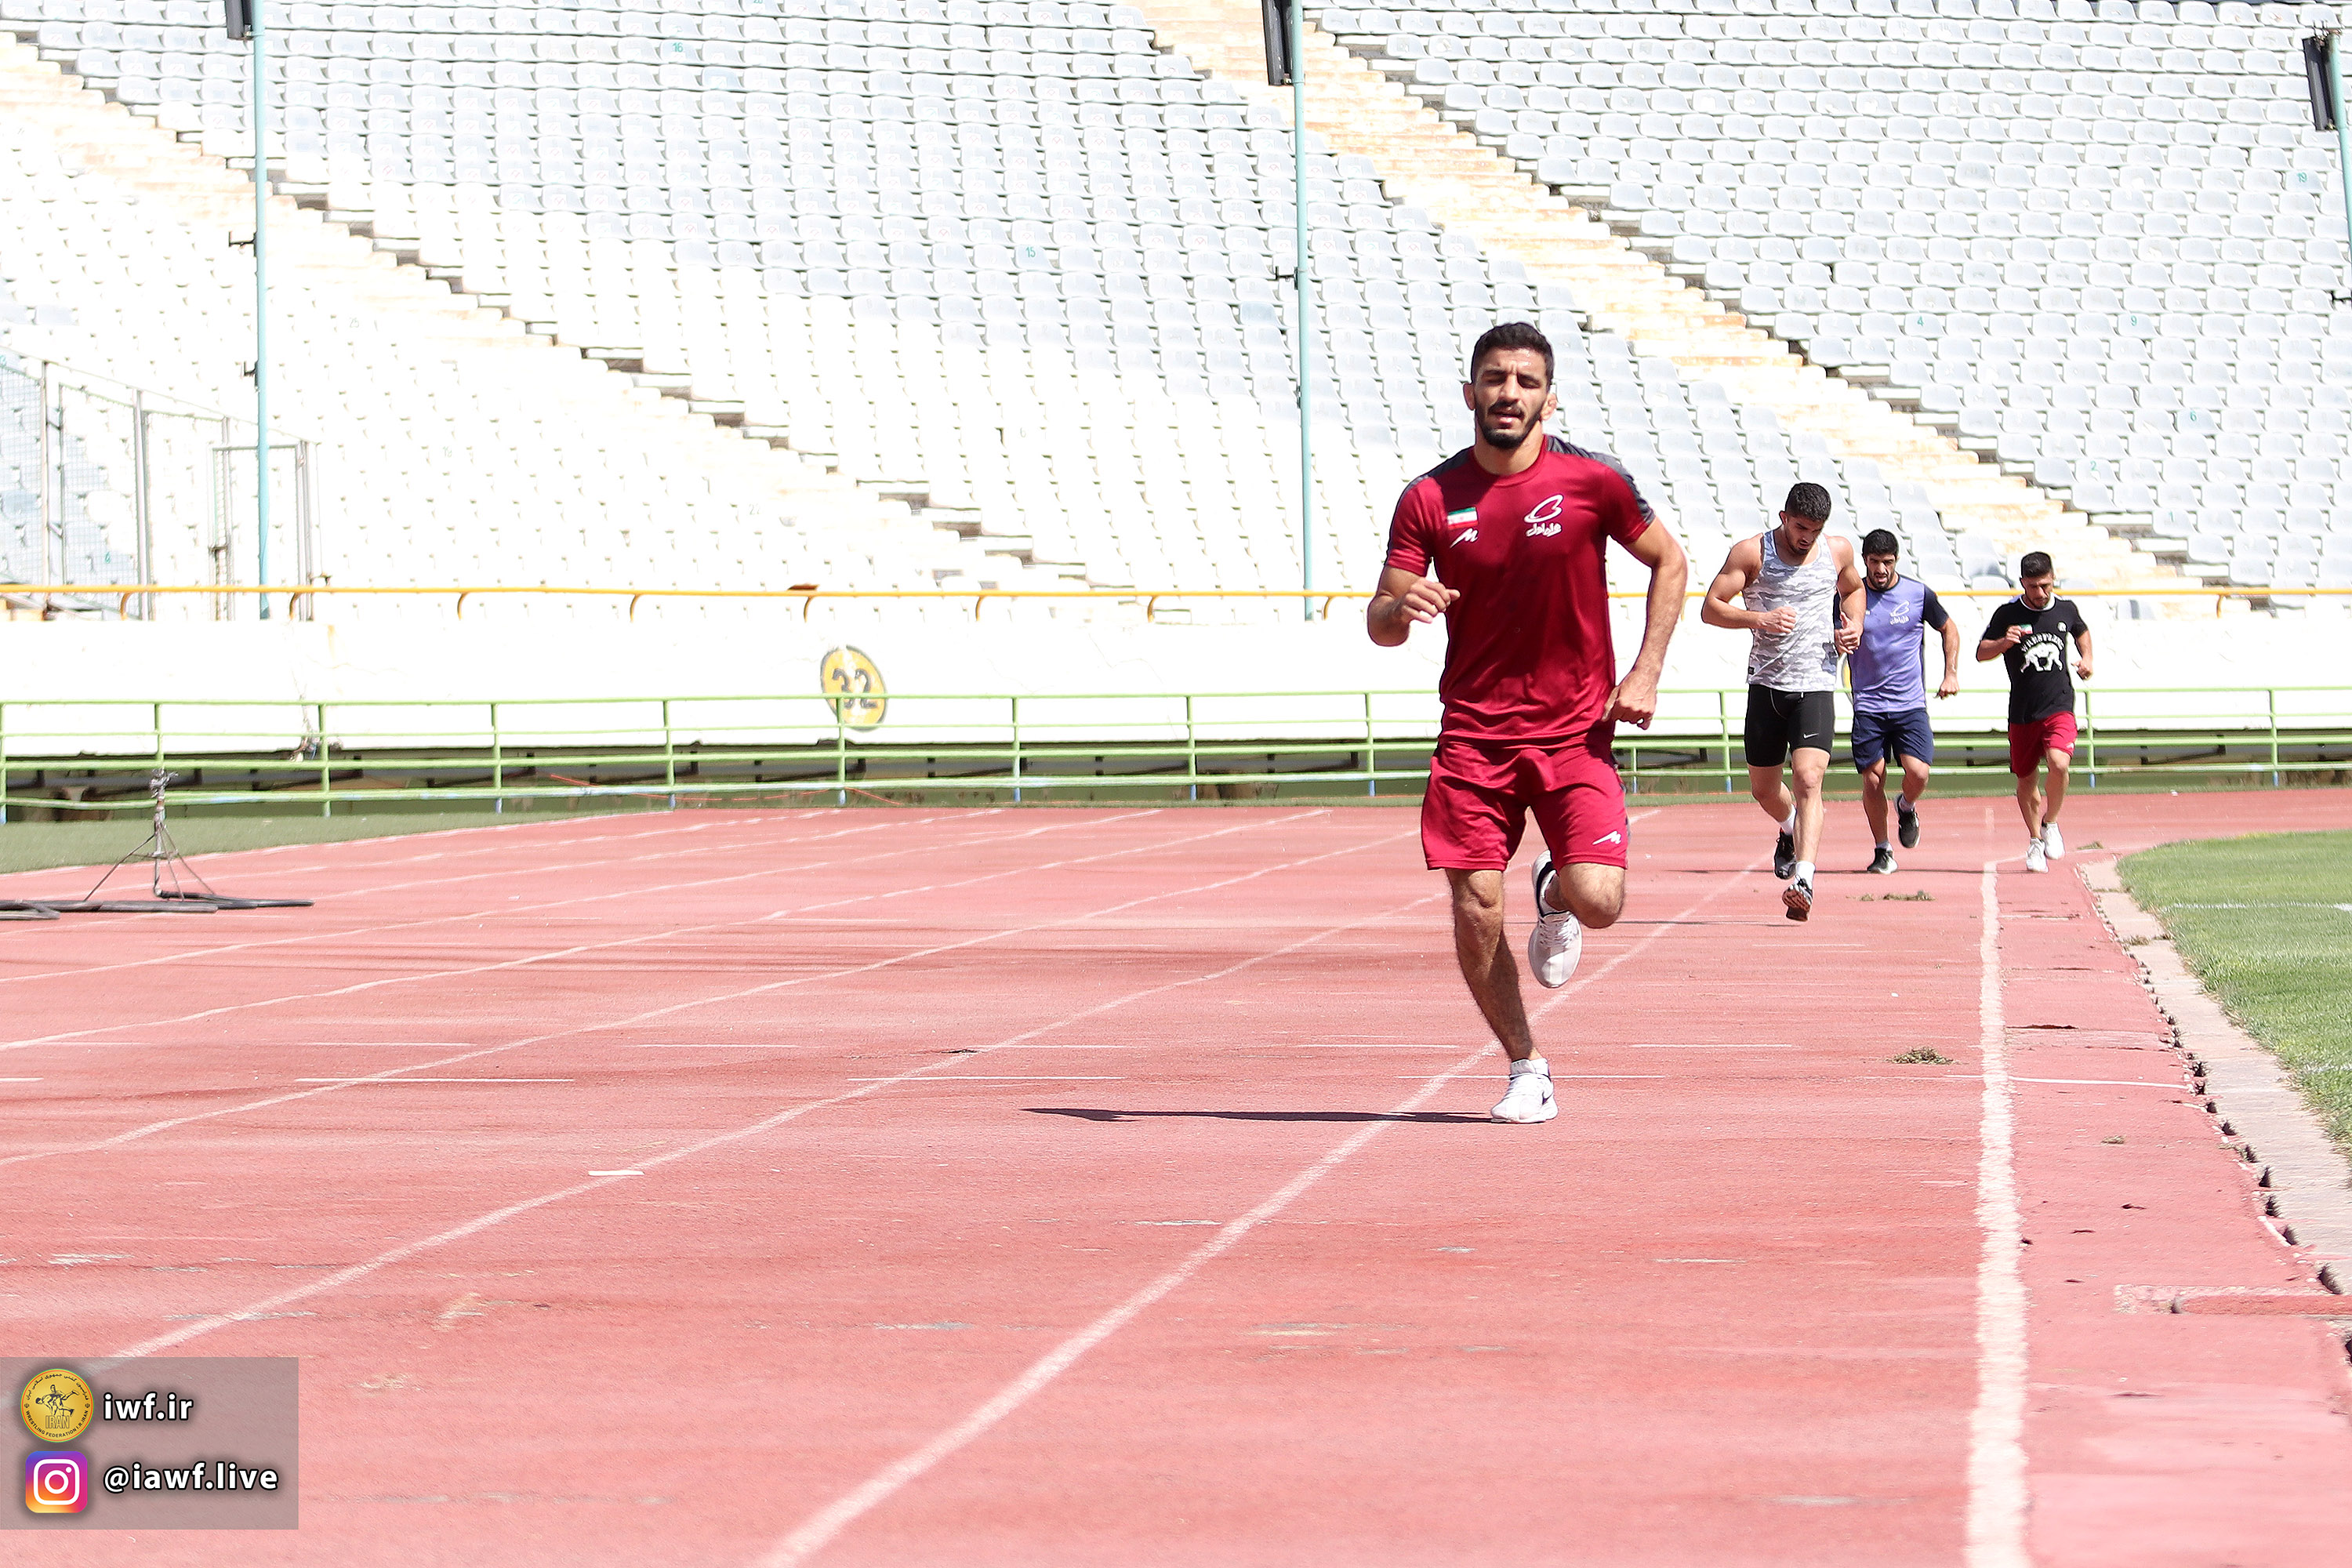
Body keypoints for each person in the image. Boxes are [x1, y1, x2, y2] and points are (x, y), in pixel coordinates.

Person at [1368, 321, 1689, 1125]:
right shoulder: (1428, 497)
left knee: (1600, 900)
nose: (1509, 393)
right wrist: (1400, 608)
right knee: (1476, 906)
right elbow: (1381, 620)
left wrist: (1645, 670)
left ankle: (1557, 890)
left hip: (1574, 729)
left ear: (1548, 398)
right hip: (1473, 737)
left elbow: (1671, 560)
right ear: (1470, 391)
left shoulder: (1594, 481)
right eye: (1495, 378)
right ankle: (1526, 1066)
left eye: (1525, 381)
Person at [1700, 484, 1864, 922]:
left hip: (1816, 684)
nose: (1807, 537)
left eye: (1815, 530)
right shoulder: (1752, 553)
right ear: (1783, 517)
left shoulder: (1838, 551)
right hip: (1767, 686)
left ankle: (1804, 880)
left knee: (1809, 778)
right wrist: (1760, 619)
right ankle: (1789, 827)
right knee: (1764, 790)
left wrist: (1856, 625)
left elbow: (1853, 590)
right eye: (1800, 527)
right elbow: (1711, 608)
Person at [1846, 528, 1961, 873]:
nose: (1881, 569)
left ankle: (1906, 805)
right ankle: (1882, 849)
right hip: (1868, 705)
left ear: (1896, 560)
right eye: (1874, 562)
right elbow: (1830, 635)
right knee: (1872, 779)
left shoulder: (1917, 594)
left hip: (1909, 704)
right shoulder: (1850, 596)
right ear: (1864, 561)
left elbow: (1949, 628)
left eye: (1888, 562)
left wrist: (1950, 673)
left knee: (1919, 772)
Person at [1978, 551, 2092, 873]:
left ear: (2053, 579)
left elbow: (2081, 631)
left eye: (2045, 585)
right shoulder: (2008, 613)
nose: (2040, 593)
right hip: (2023, 711)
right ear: (2022, 583)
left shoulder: (2066, 609)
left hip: (2059, 704)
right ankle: (2034, 840)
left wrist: (2087, 659)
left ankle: (2051, 822)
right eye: (2033, 587)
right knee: (2026, 780)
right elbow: (1981, 652)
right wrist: (2004, 642)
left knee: (2059, 763)